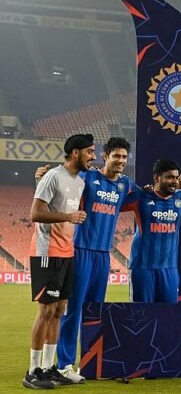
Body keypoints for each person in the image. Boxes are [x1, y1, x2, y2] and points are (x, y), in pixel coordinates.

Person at [26, 134, 94, 389]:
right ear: (76, 153)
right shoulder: (53, 176)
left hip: (67, 252)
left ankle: (48, 367)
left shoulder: (79, 182)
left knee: (59, 310)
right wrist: (68, 216)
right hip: (47, 252)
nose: (92, 157)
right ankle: (33, 371)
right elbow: (35, 213)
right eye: (89, 152)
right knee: (46, 310)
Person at [122, 159, 181, 302]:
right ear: (157, 178)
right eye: (169, 177)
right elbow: (116, 203)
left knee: (169, 313)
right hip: (142, 267)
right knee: (142, 312)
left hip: (169, 269)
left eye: (176, 177)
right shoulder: (141, 197)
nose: (174, 181)